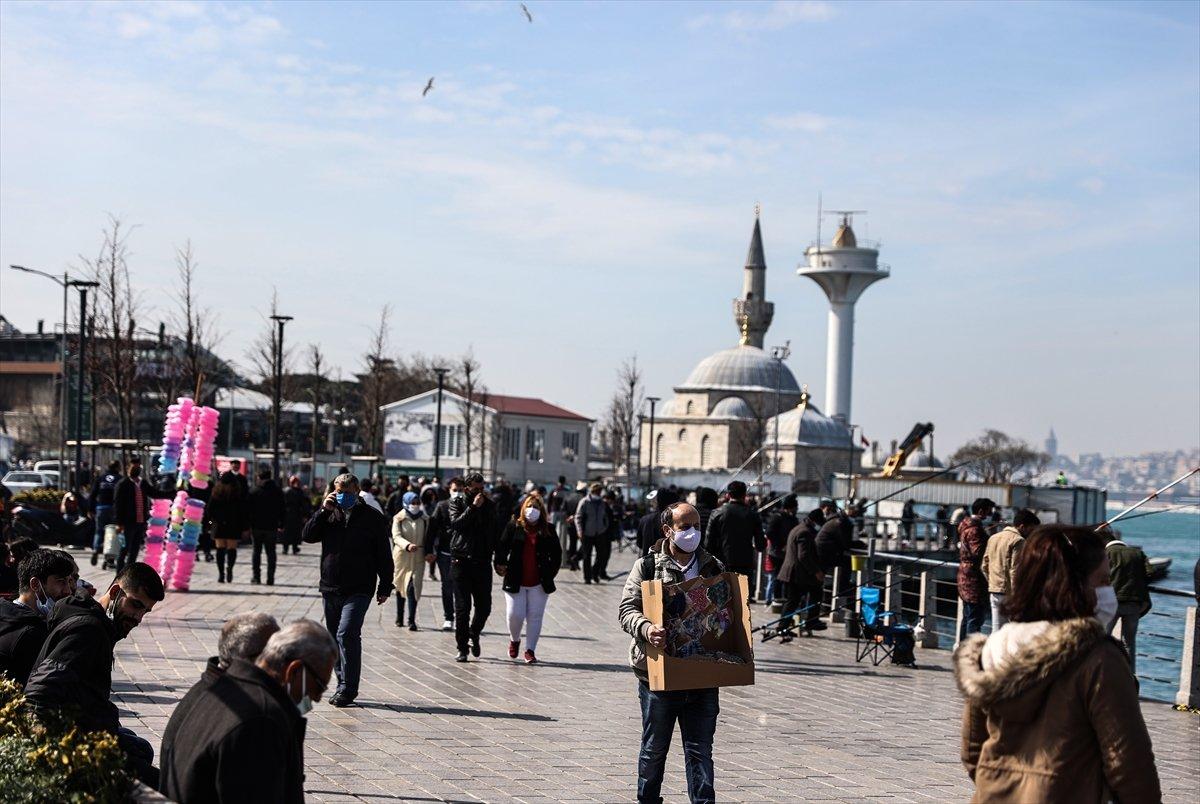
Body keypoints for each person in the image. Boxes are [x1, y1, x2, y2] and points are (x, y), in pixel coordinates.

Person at [953, 524, 1160, 802]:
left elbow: (973, 750)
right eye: (1102, 581)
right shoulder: (1099, 659)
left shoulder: (991, 650)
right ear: (1073, 586)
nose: (1109, 591)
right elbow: (1128, 762)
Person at [159, 619, 337, 804]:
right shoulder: (263, 720)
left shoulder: (225, 687)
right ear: (294, 670)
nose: (316, 698)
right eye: (319, 686)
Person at [618, 501, 724, 804]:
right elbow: (627, 609)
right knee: (654, 748)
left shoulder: (713, 566)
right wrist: (647, 629)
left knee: (700, 748)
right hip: (658, 674)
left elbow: (724, 613)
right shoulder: (647, 566)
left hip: (702, 673)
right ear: (668, 530)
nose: (692, 533)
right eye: (685, 527)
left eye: (697, 526)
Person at [25, 562, 165, 786]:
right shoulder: (88, 630)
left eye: (144, 611)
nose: (138, 618)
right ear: (115, 592)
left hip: (88, 733)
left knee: (141, 748)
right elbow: (38, 694)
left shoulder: (94, 622)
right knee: (168, 786)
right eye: (135, 605)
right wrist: (57, 756)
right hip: (74, 749)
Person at [302, 472, 393, 707]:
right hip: (331, 586)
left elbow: (384, 554)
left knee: (347, 633)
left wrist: (385, 585)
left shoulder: (372, 518)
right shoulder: (328, 514)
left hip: (360, 587)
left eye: (347, 492)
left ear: (356, 492)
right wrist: (323, 511)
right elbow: (307, 536)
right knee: (334, 638)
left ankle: (348, 688)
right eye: (338, 491)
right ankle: (342, 681)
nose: (342, 496)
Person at [160, 611, 281, 756]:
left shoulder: (216, 688)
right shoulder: (240, 707)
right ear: (248, 658)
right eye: (277, 653)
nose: (282, 664)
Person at [496, 492, 562, 664]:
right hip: (515, 578)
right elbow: (502, 546)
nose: (532, 510)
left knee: (535, 616)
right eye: (529, 507)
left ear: (542, 511)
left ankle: (530, 650)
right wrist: (500, 564)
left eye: (536, 507)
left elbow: (557, 553)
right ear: (523, 509)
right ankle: (514, 639)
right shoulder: (514, 526)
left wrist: (552, 571)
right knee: (514, 614)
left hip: (539, 582)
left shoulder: (548, 529)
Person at [0, 549, 76, 686]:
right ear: (35, 584)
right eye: (61, 582)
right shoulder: (33, 633)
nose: (68, 591)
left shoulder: (6, 612)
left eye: (69, 582)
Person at [447, 473, 500, 662]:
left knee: (484, 607)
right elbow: (457, 524)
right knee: (462, 608)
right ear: (467, 487)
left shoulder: (491, 505)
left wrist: (499, 559)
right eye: (475, 488)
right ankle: (462, 648)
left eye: (482, 488)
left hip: (482, 561)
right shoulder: (458, 502)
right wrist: (473, 507)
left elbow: (495, 533)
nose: (479, 492)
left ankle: (473, 632)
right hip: (461, 561)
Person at [703, 481, 764, 603]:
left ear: (728, 495)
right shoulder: (753, 515)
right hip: (744, 564)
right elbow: (761, 545)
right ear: (744, 494)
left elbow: (708, 543)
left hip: (721, 564)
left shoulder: (717, 513)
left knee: (721, 602)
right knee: (741, 602)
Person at [1103, 530, 1153, 672]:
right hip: (1134, 603)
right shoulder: (1138, 553)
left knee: (1101, 639)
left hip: (1111, 602)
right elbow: (1150, 572)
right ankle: (1129, 675)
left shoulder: (1107, 553)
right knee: (1129, 642)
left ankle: (1102, 673)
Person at [982, 509, 1040, 629]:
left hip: (994, 590)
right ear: (1022, 526)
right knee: (1014, 630)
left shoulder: (994, 537)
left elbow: (984, 565)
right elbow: (1016, 570)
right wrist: (1017, 595)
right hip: (1009, 593)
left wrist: (992, 582)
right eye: (1031, 529)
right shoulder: (1018, 541)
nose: (1032, 533)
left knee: (996, 630)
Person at [778, 509, 827, 635]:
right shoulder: (804, 532)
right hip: (796, 574)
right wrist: (816, 572)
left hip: (794, 573)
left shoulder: (798, 528)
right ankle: (810, 621)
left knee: (792, 601)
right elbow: (803, 556)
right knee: (812, 593)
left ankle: (784, 627)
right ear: (813, 521)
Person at [426, 477, 464, 632]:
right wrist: (429, 550)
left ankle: (463, 618)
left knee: (462, 588)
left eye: (460, 489)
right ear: (449, 490)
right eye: (455, 489)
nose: (458, 493)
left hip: (463, 554)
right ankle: (449, 617)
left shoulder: (469, 507)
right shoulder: (442, 506)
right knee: (447, 586)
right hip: (445, 552)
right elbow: (432, 529)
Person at [957, 498, 995, 640]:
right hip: (973, 577)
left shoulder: (965, 525)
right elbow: (978, 551)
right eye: (989, 512)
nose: (990, 514)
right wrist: (991, 542)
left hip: (964, 574)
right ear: (981, 511)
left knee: (967, 616)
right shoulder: (975, 529)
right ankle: (970, 651)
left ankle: (962, 648)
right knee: (975, 617)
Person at [391, 491, 428, 631]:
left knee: (414, 587)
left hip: (418, 557)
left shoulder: (425, 519)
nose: (416, 506)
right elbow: (396, 536)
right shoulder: (399, 518)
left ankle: (411, 620)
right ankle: (399, 617)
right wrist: (407, 545)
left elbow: (428, 537)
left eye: (418, 503)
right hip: (402, 557)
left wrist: (429, 552)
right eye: (413, 503)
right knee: (401, 585)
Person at [205, 473, 249, 584]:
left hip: (218, 524)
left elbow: (209, 510)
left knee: (220, 549)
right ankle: (230, 568)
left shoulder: (216, 493)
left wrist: (210, 523)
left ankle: (221, 574)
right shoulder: (237, 494)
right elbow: (242, 512)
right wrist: (244, 527)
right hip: (233, 524)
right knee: (232, 549)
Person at [113, 459, 153, 572]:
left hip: (140, 522)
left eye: (137, 467)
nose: (135, 470)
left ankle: (128, 575)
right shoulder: (123, 484)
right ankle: (119, 575)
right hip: (127, 524)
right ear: (128, 468)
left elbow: (154, 493)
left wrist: (173, 492)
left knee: (134, 551)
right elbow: (118, 505)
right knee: (124, 549)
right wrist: (119, 523)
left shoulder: (142, 483)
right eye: (133, 467)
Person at [247, 468, 286, 585]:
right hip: (272, 527)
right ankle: (270, 578)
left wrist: (248, 524)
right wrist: (282, 523)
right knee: (271, 553)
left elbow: (248, 510)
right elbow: (282, 509)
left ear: (260, 478)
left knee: (256, 552)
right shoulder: (278, 492)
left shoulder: (254, 491)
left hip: (256, 527)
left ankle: (256, 576)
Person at [762, 495, 799, 607]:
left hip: (788, 553)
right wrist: (781, 545)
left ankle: (785, 599)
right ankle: (775, 599)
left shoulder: (793, 519)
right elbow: (770, 533)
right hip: (777, 552)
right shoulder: (777, 517)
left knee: (787, 577)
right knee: (776, 576)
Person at [575, 482, 611, 584]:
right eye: (598, 491)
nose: (599, 493)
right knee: (587, 556)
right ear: (593, 491)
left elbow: (605, 517)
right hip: (587, 533)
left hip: (600, 532)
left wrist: (604, 527)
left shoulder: (602, 503)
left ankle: (595, 573)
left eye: (600, 491)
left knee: (601, 555)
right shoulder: (584, 502)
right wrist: (580, 531)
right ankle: (587, 577)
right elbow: (578, 517)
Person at [90, 460, 121, 567]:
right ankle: (110, 558)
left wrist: (90, 509)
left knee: (98, 532)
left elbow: (93, 494)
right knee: (112, 533)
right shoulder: (119, 479)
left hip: (101, 508)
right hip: (114, 509)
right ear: (117, 468)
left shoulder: (101, 478)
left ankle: (95, 549)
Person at [282, 475, 311, 555]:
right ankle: (294, 548)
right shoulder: (300, 492)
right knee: (295, 532)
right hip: (296, 514)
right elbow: (304, 505)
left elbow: (281, 504)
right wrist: (305, 515)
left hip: (287, 515)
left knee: (287, 533)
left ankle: (286, 548)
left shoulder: (285, 491)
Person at [547, 475, 572, 565]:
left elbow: (549, 501)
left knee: (553, 528)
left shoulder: (554, 490)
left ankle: (553, 540)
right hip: (562, 512)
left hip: (555, 511)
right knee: (562, 530)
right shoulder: (566, 491)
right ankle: (559, 542)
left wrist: (549, 512)